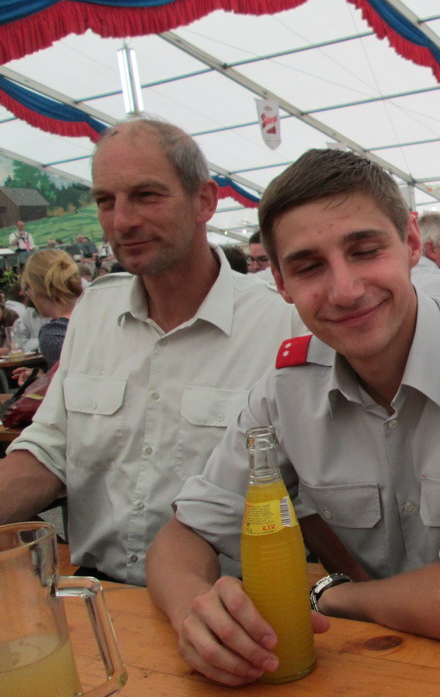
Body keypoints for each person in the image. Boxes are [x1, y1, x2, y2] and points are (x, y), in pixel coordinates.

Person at [146, 149, 440, 686]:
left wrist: (331, 596)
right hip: (389, 643)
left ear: (410, 243)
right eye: (308, 266)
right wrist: (195, 612)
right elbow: (184, 536)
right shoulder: (287, 387)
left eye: (364, 251)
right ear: (282, 284)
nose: (345, 290)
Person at [0, 117, 303, 585]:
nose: (122, 221)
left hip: (229, 602)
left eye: (146, 195)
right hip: (98, 593)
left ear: (204, 201)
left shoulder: (282, 323)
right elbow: (49, 449)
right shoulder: (95, 310)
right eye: (106, 201)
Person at [18, 248, 82, 368]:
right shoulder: (97, 313)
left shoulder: (53, 334)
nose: (25, 294)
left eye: (26, 288)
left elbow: (74, 377)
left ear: (33, 287)